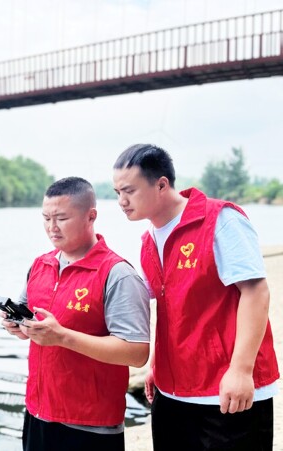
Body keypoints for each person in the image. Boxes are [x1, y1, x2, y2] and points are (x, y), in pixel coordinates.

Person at [112, 144, 280, 451]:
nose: (121, 201)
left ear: (161, 184)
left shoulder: (220, 219)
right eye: (117, 192)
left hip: (226, 392)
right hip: (172, 395)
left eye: (129, 191)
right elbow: (171, 309)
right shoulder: (149, 240)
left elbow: (256, 292)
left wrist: (241, 370)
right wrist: (157, 366)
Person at [1, 176, 150, 451]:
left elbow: (137, 352)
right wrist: (18, 326)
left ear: (91, 216)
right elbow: (32, 325)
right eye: (46, 218)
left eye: (61, 218)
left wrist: (63, 337)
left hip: (90, 426)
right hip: (37, 413)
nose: (52, 227)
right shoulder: (40, 265)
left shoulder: (117, 274)